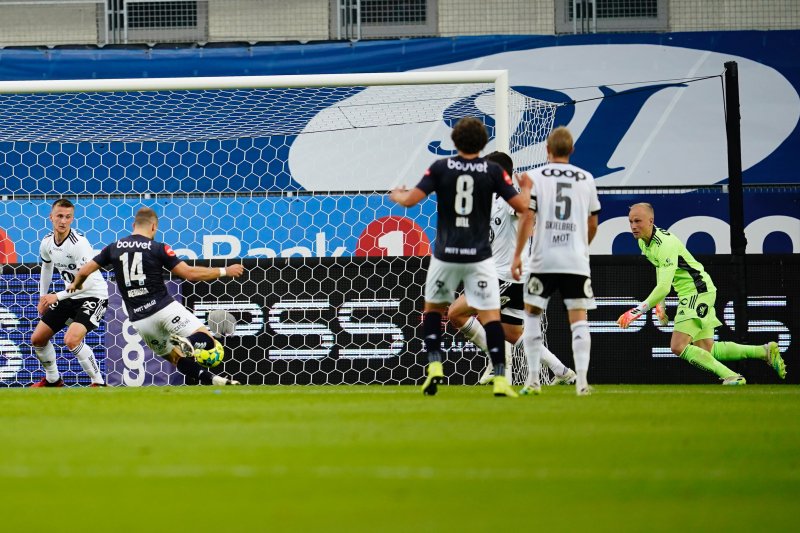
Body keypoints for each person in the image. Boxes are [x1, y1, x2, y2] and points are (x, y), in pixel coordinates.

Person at [390, 116, 532, 397]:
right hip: (479, 256)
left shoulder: (440, 167)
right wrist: (525, 186)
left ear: (454, 142)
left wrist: (398, 194)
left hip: (447, 253)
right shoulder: (492, 171)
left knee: (433, 310)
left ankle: (434, 367)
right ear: (482, 144)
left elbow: (410, 200)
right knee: (491, 316)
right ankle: (502, 378)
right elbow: (523, 206)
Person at [68, 207, 245, 386]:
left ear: (133, 225)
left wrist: (77, 284)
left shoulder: (113, 248)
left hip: (141, 321)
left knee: (176, 358)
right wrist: (225, 271)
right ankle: (188, 341)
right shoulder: (158, 248)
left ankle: (214, 380)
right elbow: (189, 274)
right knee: (207, 339)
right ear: (153, 227)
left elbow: (84, 270)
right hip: (164, 308)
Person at [446, 151, 577, 388]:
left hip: (503, 277)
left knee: (456, 313)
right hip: (513, 278)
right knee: (514, 334)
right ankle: (563, 371)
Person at [618, 202, 786, 384]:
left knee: (678, 346)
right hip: (695, 292)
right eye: (630, 222)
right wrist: (660, 304)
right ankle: (764, 351)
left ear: (651, 221)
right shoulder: (644, 242)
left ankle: (732, 376)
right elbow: (662, 270)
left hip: (697, 292)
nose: (633, 226)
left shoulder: (665, 243)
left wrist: (637, 310)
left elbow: (665, 287)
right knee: (707, 348)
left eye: (638, 221)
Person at [513, 126, 600, 396]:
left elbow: (527, 217)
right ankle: (583, 382)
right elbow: (593, 222)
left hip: (543, 259)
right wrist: (581, 247)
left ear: (547, 150)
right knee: (579, 321)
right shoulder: (586, 178)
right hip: (574, 259)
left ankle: (533, 380)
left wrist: (517, 255)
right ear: (572, 150)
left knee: (532, 316)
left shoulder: (534, 177)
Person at [30, 198, 108, 387]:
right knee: (38, 339)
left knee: (71, 340)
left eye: (68, 217)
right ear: (51, 217)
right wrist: (43, 296)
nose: (63, 221)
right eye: (59, 216)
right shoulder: (47, 242)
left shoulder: (79, 243)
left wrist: (56, 296)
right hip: (70, 296)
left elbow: (87, 283)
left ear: (72, 219)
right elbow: (47, 267)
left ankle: (98, 383)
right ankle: (53, 380)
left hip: (93, 295)